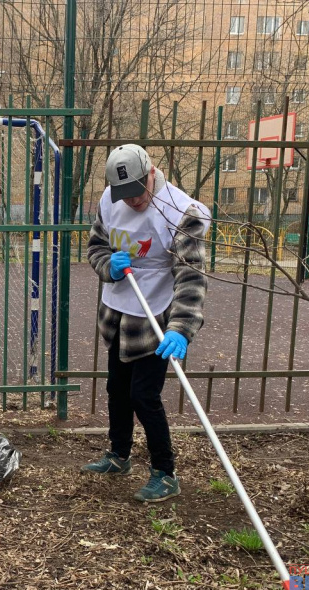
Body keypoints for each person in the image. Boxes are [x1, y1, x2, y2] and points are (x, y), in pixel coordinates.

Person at [83, 144, 210, 503]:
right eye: (125, 194)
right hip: (119, 312)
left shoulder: (180, 212)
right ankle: (118, 455)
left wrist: (181, 328)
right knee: (117, 390)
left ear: (151, 172)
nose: (133, 201)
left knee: (144, 395)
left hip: (157, 317)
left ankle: (164, 473)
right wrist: (108, 265)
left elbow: (191, 276)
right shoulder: (111, 200)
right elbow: (96, 247)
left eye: (138, 191)